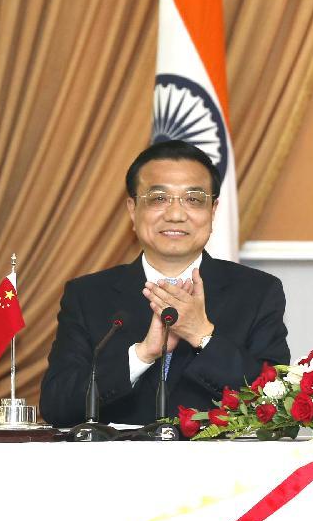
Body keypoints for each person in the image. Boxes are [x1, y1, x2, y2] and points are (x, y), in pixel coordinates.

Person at [40, 141, 290, 427]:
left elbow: (276, 401)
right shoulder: (87, 295)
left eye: (193, 199)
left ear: (213, 210)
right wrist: (141, 355)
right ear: (132, 209)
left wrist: (202, 336)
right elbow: (57, 405)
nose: (175, 214)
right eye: (159, 198)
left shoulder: (257, 292)